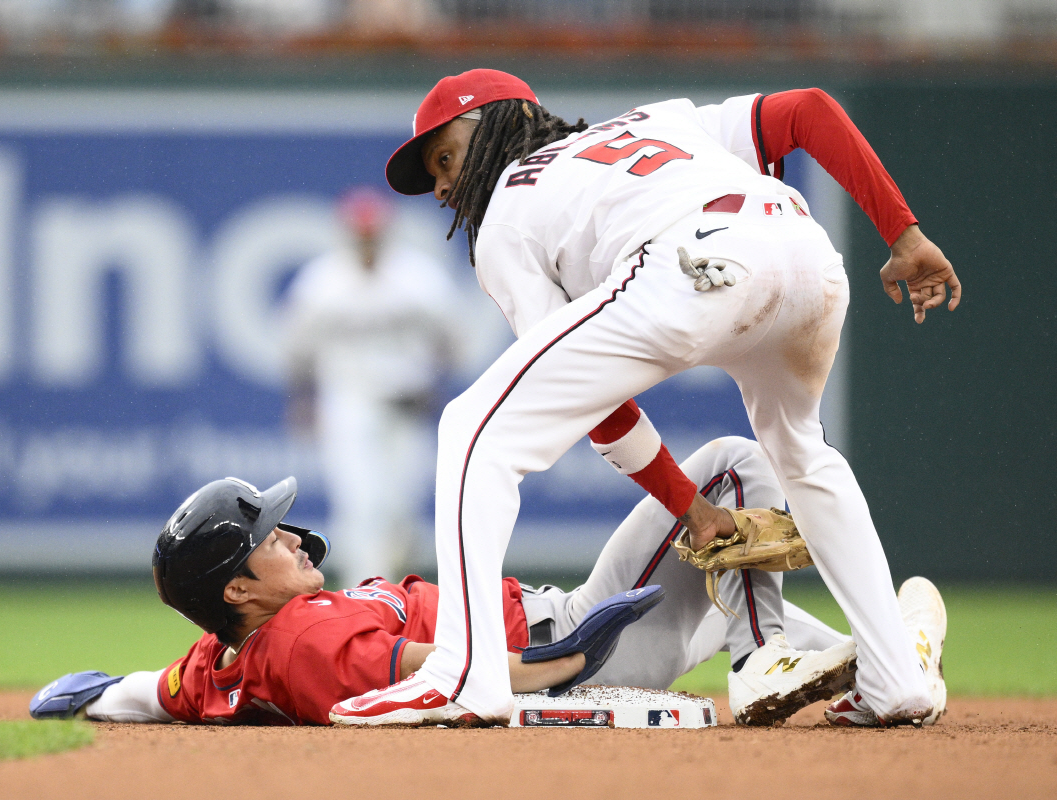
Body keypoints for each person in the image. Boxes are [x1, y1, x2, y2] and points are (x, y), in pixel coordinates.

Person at [340, 69, 960, 728]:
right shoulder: (660, 120)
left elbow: (601, 412)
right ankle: (896, 681)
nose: (439, 186)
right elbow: (808, 109)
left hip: (690, 264)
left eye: (445, 158)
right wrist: (904, 234)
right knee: (804, 455)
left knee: (472, 427)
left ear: (497, 124)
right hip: (806, 256)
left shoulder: (506, 216)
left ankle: (465, 674)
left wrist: (683, 503)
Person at [30, 439, 945, 728]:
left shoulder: (228, 658)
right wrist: (564, 660)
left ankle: (888, 667)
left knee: (733, 596)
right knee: (730, 465)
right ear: (237, 588)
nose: (295, 536)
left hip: (570, 633)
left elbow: (159, 692)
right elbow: (444, 668)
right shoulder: (302, 640)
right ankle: (774, 661)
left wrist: (98, 694)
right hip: (569, 645)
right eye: (270, 535)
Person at [283, 186, 463, 588]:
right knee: (361, 505)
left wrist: (435, 384)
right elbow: (297, 349)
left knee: (403, 510)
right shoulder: (322, 281)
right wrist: (302, 400)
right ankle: (363, 595)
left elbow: (452, 341)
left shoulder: (419, 278)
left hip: (407, 403)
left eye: (373, 234)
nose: (366, 241)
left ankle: (389, 584)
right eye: (359, 235)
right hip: (349, 401)